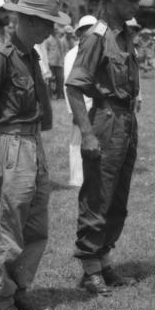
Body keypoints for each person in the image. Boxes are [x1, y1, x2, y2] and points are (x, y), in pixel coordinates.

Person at [0, 0, 70, 310]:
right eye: (46, 23)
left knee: (36, 225)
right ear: (27, 20)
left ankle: (20, 288)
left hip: (33, 144)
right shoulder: (1, 58)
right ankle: (2, 301)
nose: (51, 31)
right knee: (9, 226)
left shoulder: (32, 56)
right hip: (12, 144)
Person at [65, 0, 151, 296]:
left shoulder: (126, 35)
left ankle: (103, 260)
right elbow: (74, 88)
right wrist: (87, 135)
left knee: (118, 198)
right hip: (105, 119)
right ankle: (89, 269)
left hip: (127, 122)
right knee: (97, 197)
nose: (135, 4)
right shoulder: (96, 37)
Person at [63, 14, 97, 187]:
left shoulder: (97, 50)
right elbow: (68, 85)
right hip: (80, 105)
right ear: (81, 32)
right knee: (78, 141)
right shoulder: (72, 54)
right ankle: (77, 179)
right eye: (88, 29)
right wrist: (74, 111)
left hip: (96, 106)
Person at [45, 25, 65, 99]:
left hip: (59, 62)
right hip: (51, 62)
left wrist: (62, 60)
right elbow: (46, 50)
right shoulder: (48, 39)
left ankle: (59, 95)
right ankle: (50, 96)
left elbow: (61, 50)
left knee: (60, 79)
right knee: (50, 79)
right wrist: (47, 61)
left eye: (57, 30)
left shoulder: (59, 39)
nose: (56, 31)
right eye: (54, 29)